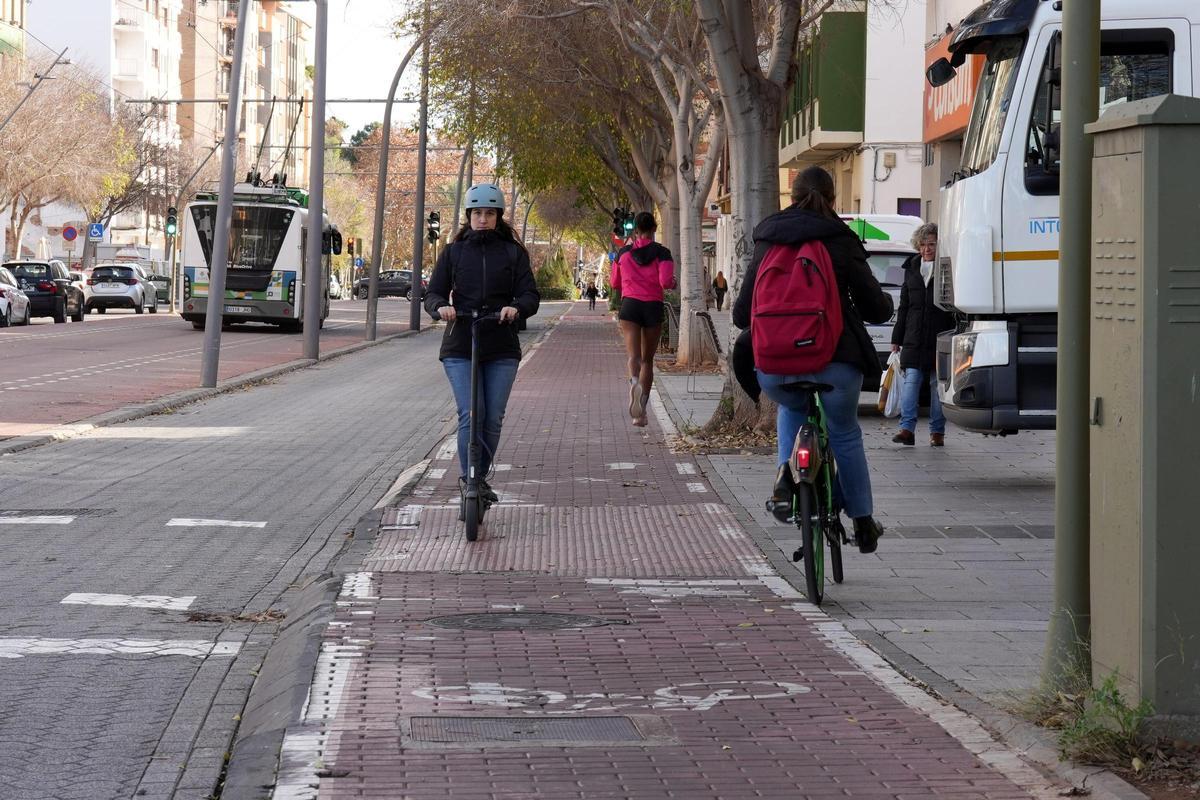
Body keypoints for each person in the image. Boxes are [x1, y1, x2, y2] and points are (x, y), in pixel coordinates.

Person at [732, 166, 894, 554]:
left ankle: (786, 479)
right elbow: (875, 307)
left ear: (791, 195)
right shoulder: (841, 239)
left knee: (792, 403)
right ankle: (863, 520)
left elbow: (740, 315)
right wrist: (884, 304)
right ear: (833, 198)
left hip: (775, 364)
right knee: (844, 431)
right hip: (837, 363)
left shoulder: (768, 237)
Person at [424, 182, 540, 507]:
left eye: (490, 213)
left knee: (492, 418)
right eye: (478, 213)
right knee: (471, 413)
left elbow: (531, 295)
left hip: (501, 344)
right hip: (461, 343)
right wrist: (440, 308)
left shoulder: (513, 253)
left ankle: (479, 477)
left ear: (498, 216)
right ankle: (469, 480)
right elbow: (432, 293)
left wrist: (516, 307)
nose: (483, 219)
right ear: (468, 216)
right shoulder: (454, 253)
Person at [891, 222, 953, 447]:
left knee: (938, 385)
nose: (927, 249)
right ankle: (907, 429)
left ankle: (937, 432)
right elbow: (904, 306)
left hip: (940, 333)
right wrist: (896, 338)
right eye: (924, 244)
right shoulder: (911, 269)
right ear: (918, 246)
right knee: (911, 382)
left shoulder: (947, 268)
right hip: (914, 335)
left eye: (932, 244)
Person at [611, 211, 675, 427]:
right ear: (654, 228)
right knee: (648, 360)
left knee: (634, 357)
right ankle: (641, 414)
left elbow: (613, 283)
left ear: (635, 230)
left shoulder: (623, 254)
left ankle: (634, 382)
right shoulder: (662, 253)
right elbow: (665, 281)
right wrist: (673, 283)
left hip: (629, 306)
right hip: (652, 307)